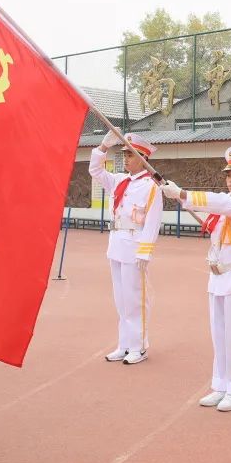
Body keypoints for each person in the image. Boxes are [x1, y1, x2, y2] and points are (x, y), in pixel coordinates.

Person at [161, 147, 231, 412]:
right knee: (220, 335)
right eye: (228, 174)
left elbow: (223, 203)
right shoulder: (230, 202)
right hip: (219, 277)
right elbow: (218, 205)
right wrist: (182, 199)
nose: (230, 179)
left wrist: (183, 194)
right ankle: (221, 385)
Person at [89, 132, 164, 365]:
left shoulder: (152, 187)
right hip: (117, 244)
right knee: (121, 299)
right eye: (124, 154)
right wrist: (103, 147)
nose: (126, 159)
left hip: (134, 246)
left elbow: (153, 221)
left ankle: (139, 346)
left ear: (143, 158)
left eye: (130, 155)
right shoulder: (120, 180)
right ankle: (124, 344)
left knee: (135, 300)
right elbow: (96, 171)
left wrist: (145, 251)